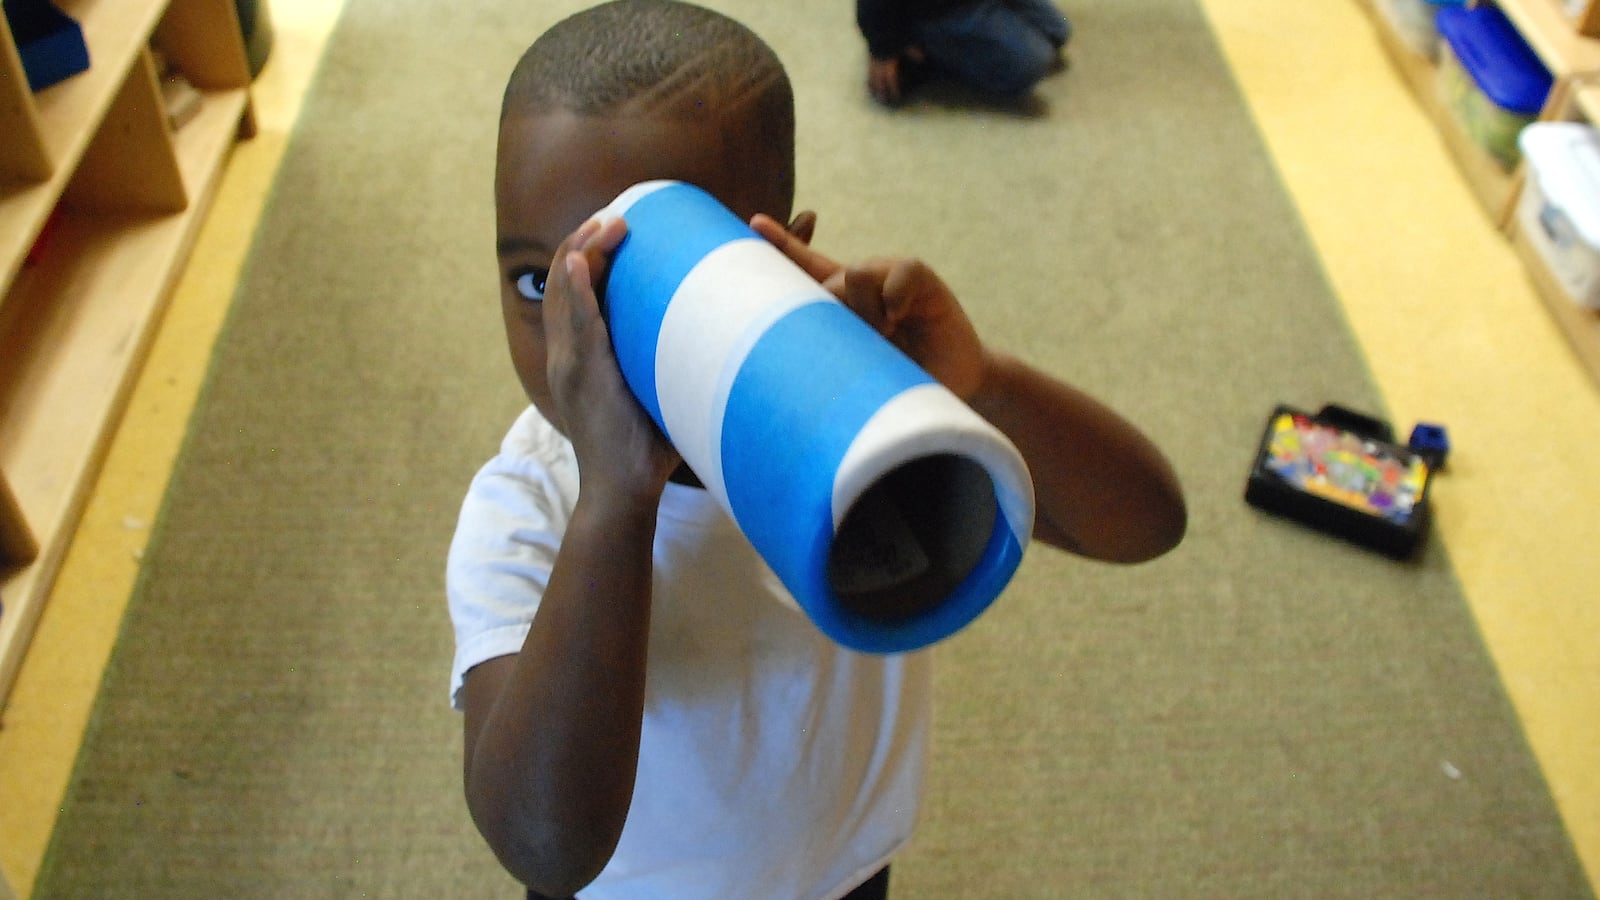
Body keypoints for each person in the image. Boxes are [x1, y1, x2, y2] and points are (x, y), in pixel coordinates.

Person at [448, 2, 1185, 897]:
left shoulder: (857, 430)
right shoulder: (530, 504)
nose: (583, 338)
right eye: (538, 282)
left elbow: (1147, 523)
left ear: (776, 248)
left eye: (637, 285)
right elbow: (545, 848)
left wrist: (978, 382)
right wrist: (616, 497)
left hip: (843, 876)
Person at [856, 0, 1072, 105]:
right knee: (1032, 63)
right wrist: (883, 46)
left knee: (1058, 31)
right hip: (939, 10)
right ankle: (919, 49)